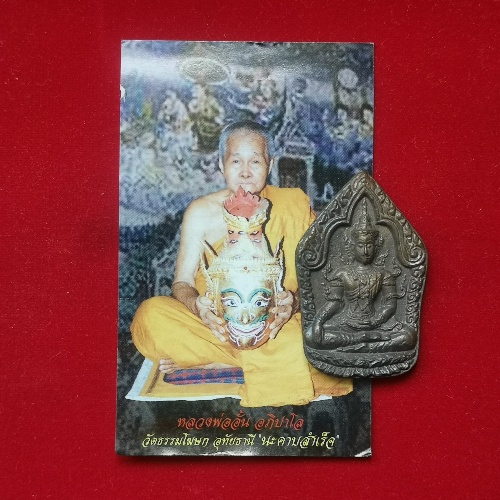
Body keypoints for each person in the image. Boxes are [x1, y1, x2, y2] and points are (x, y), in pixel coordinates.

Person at [131, 120, 352, 407]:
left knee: (334, 330)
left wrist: (294, 303)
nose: (245, 172)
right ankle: (258, 364)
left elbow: (322, 278)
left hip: (277, 324)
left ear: (269, 165)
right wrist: (198, 307)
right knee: (150, 317)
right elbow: (181, 283)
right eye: (236, 161)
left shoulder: (293, 204)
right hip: (217, 327)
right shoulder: (201, 212)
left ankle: (220, 363)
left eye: (255, 161)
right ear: (221, 165)